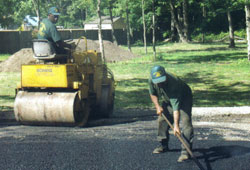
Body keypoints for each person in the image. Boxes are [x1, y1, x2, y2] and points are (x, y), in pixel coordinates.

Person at [149, 65, 194, 162]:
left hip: (184, 97)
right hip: (168, 99)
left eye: (161, 81)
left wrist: (176, 126)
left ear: (165, 76)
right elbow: (152, 93)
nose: (159, 83)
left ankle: (186, 151)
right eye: (158, 82)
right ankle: (163, 145)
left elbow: (175, 108)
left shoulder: (173, 84)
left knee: (186, 122)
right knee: (162, 120)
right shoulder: (152, 80)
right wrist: (157, 106)